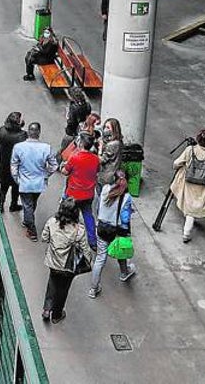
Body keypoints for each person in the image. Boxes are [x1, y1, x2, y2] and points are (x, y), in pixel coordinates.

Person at [40, 197, 95, 324]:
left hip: (53, 262)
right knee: (63, 289)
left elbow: (44, 238)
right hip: (69, 266)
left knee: (52, 283)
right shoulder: (79, 229)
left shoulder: (52, 222)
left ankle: (46, 309)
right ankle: (56, 314)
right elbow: (85, 249)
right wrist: (89, 261)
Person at [89, 169, 137, 298]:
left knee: (100, 259)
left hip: (101, 228)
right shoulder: (127, 198)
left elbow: (98, 206)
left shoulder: (105, 189)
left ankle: (93, 288)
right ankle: (124, 273)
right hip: (115, 230)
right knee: (120, 250)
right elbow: (125, 219)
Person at [11, 122, 60, 241]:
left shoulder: (18, 147)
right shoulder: (46, 148)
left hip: (25, 182)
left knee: (27, 205)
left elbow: (14, 164)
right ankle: (28, 220)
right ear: (39, 133)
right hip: (39, 182)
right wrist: (46, 174)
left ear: (28, 132)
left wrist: (17, 178)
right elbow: (54, 165)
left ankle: (31, 229)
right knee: (32, 203)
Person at [171, 129, 205, 243]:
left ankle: (186, 232)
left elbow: (177, 163)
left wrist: (178, 167)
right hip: (202, 182)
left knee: (189, 207)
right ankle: (189, 224)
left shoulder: (190, 150)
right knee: (195, 203)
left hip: (187, 181)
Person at [62, 132, 101, 246]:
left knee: (69, 216)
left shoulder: (74, 158)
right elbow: (97, 170)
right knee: (88, 216)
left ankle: (69, 239)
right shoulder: (95, 159)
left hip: (73, 194)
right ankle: (92, 241)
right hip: (88, 194)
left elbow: (65, 172)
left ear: (81, 143)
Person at [0, 112, 27, 213]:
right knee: (15, 186)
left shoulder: (2, 131)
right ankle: (13, 205)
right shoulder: (22, 135)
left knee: (3, 185)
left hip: (4, 162)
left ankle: (1, 203)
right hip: (16, 165)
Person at [96, 118, 124, 207]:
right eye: (105, 127)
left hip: (106, 176)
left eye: (108, 127)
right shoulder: (117, 142)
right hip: (110, 174)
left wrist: (100, 149)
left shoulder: (113, 145)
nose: (105, 130)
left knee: (103, 199)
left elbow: (101, 160)